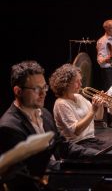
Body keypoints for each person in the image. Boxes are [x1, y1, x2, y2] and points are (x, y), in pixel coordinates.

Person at [0, 61, 100, 190]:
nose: (43, 93)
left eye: (44, 87)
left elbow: (63, 146)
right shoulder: (9, 127)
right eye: (36, 89)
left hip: (56, 171)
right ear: (18, 91)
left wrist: (98, 155)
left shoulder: (45, 114)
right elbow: (22, 180)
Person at [49, 64, 111, 151]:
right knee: (108, 156)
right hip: (75, 145)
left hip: (91, 141)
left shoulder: (79, 97)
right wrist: (93, 110)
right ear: (66, 83)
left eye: (80, 81)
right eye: (77, 82)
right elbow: (76, 131)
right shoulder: (61, 104)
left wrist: (99, 105)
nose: (80, 84)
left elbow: (98, 117)